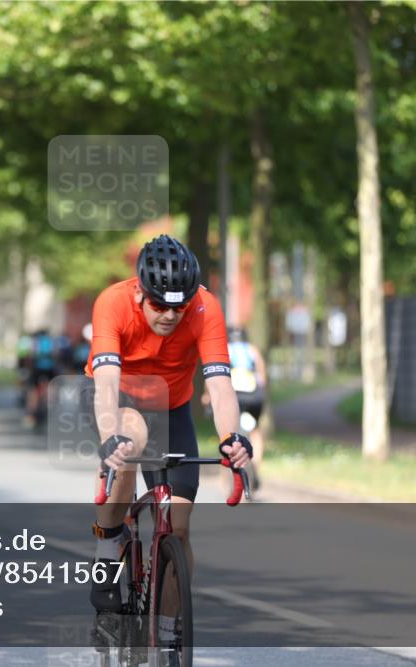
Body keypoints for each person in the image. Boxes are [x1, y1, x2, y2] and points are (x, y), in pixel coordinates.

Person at [84, 235, 251, 622]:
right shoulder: (113, 303)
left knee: (178, 528)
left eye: (180, 306)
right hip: (121, 404)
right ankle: (108, 551)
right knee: (131, 438)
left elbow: (220, 385)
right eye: (159, 305)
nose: (170, 316)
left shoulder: (206, 309)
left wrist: (232, 437)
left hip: (173, 407)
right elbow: (106, 382)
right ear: (140, 293)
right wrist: (110, 436)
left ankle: (166, 636)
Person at [227, 327, 267, 490]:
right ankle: (255, 467)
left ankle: (230, 475)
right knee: (255, 431)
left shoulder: (226, 350)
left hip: (235, 397)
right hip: (254, 397)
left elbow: (218, 380)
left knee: (228, 434)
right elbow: (262, 378)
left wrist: (206, 396)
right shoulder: (253, 351)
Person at [25, 329, 56, 427]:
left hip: (37, 368)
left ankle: (32, 413)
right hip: (50, 368)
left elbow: (31, 354)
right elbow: (55, 353)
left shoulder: (36, 341)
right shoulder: (50, 340)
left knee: (33, 391)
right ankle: (50, 407)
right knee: (50, 388)